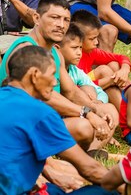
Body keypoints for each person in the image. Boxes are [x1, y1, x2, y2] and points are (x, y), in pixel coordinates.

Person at [0, 0, 115, 152]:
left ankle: (90, 153)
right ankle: (73, 157)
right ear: (36, 18)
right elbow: (45, 97)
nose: (61, 25)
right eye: (55, 18)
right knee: (84, 127)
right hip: (21, 124)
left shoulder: (55, 52)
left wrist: (96, 109)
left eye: (66, 20)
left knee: (108, 111)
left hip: (48, 118)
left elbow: (70, 90)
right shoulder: (26, 50)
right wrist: (86, 112)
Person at [0, 45, 118, 194]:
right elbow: (89, 169)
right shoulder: (39, 112)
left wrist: (49, 173)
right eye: (52, 75)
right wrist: (125, 186)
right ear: (35, 75)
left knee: (55, 188)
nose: (55, 83)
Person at [72, 10, 131, 111]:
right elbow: (73, 88)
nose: (96, 42)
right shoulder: (71, 56)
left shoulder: (91, 52)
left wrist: (124, 70)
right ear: (78, 38)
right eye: (92, 39)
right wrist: (109, 81)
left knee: (114, 65)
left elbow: (121, 57)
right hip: (81, 93)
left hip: (91, 86)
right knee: (104, 70)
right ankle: (127, 116)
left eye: (97, 37)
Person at [58, 23, 109, 104]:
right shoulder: (51, 70)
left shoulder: (75, 71)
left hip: (82, 109)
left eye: (80, 47)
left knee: (90, 89)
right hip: (58, 111)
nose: (79, 53)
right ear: (58, 48)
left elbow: (100, 91)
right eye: (74, 48)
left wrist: (99, 102)